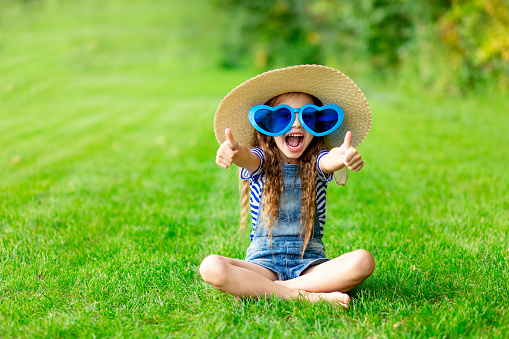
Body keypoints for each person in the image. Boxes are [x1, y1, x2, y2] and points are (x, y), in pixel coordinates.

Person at [200, 65, 375, 307]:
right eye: (284, 116)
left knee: (363, 261)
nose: (296, 124)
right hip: (262, 266)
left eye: (308, 116)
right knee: (211, 267)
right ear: (268, 124)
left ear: (318, 125)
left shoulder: (317, 161)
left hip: (311, 266)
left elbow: (330, 159)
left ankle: (265, 291)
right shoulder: (261, 159)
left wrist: (344, 155)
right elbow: (247, 158)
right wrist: (233, 151)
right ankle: (308, 296)